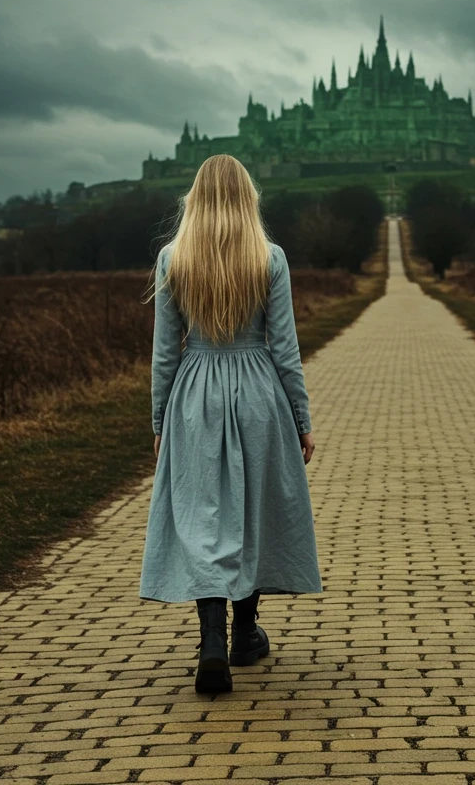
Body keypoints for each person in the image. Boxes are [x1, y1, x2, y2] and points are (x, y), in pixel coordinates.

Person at [139, 153, 323, 697]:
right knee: (253, 509)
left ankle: (212, 641)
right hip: (258, 392)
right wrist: (301, 417)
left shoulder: (173, 258)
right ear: (248, 198)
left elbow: (164, 354)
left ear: (194, 199)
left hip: (195, 392)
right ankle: (245, 634)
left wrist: (158, 421)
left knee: (204, 514)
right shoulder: (270, 258)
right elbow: (285, 348)